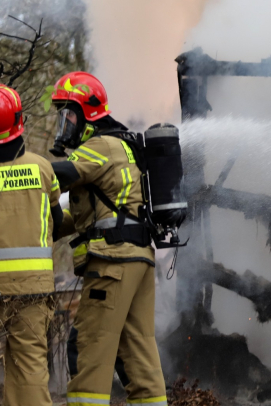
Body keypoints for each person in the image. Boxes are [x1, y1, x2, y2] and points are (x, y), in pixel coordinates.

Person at [49, 71, 166, 406]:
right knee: (138, 354)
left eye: (68, 112)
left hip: (113, 263)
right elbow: (96, 215)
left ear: (87, 112)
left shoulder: (99, 146)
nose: (65, 121)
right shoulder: (123, 145)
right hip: (137, 257)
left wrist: (25, 169)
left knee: (88, 347)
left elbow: (63, 174)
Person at [0, 83, 62, 406]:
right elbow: (57, 222)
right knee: (29, 372)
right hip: (33, 288)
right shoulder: (42, 168)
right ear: (19, 122)